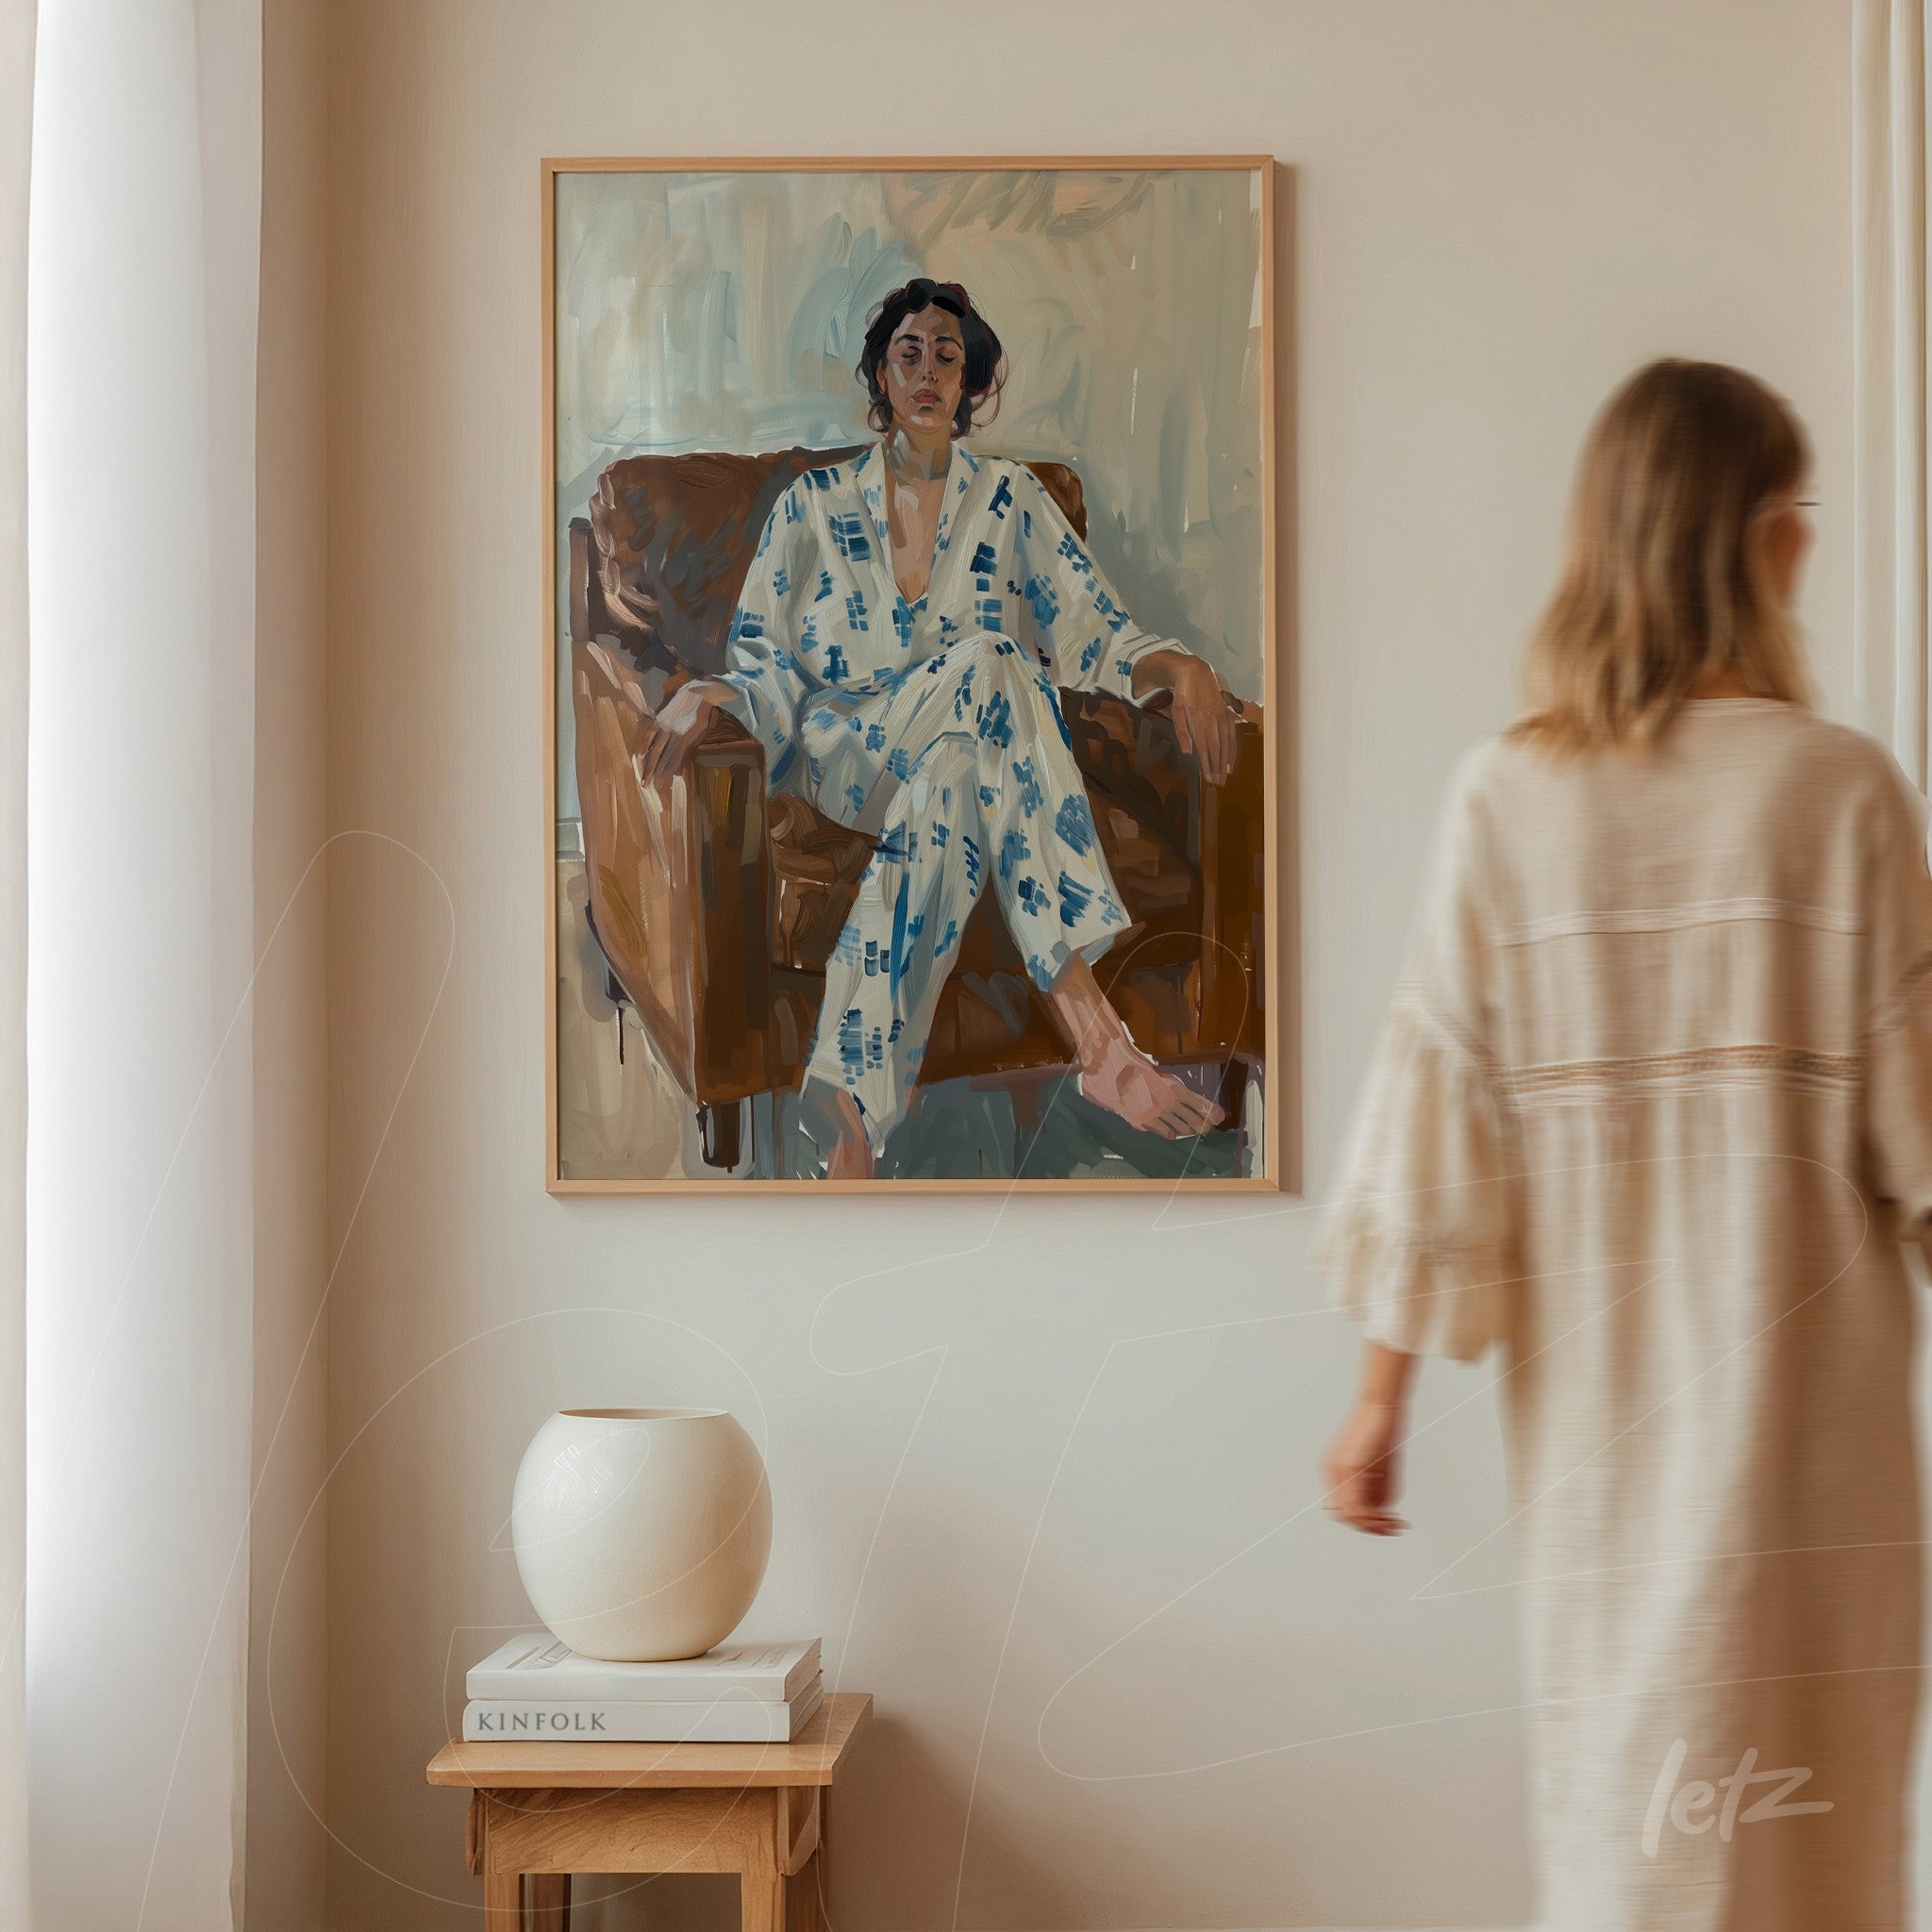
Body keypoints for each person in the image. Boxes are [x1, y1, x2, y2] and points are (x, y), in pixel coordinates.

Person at [1315, 359, 1932, 1928]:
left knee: (1629, 1862)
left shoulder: (1504, 796)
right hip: (1817, 1464)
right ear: (1754, 540)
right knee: (1811, 1874)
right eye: (1793, 515)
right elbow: (1918, 1136)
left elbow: (1431, 1117)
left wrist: (1375, 1402)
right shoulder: (1842, 792)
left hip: (1601, 1464)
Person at [629, 276, 1233, 1177]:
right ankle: (1098, 1041)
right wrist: (717, 696)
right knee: (993, 663)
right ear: (880, 373)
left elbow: (1093, 632)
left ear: (970, 383)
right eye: (908, 353)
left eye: (947, 357)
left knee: (953, 780)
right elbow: (765, 664)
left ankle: (846, 1112)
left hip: (963, 758)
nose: (927, 371)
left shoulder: (1013, 500)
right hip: (846, 752)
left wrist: (1174, 665)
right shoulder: (813, 508)